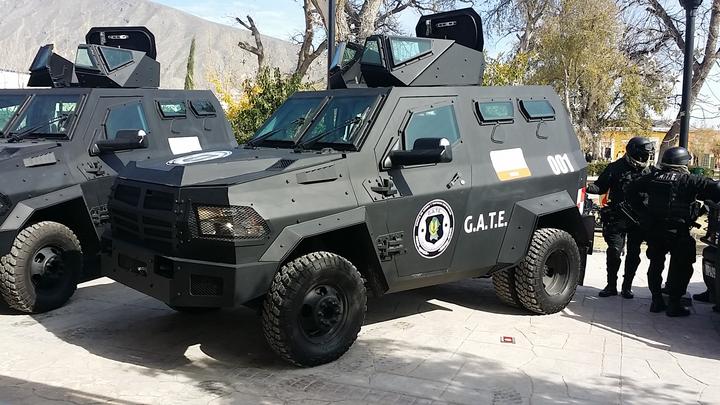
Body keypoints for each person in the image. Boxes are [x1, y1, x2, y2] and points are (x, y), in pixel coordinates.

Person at [626, 147, 720, 316]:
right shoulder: (689, 180)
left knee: (655, 265)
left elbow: (630, 190)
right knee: (683, 267)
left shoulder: (652, 178)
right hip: (678, 231)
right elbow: (716, 188)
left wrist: (643, 212)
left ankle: (656, 301)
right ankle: (674, 305)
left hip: (655, 230)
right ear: (682, 163)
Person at [587, 137, 655, 298]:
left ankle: (627, 287)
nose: (644, 158)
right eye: (642, 155)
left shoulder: (650, 171)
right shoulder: (615, 167)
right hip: (617, 218)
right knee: (614, 252)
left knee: (634, 254)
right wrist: (583, 185)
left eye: (646, 155)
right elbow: (600, 187)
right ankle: (611, 286)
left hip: (639, 220)